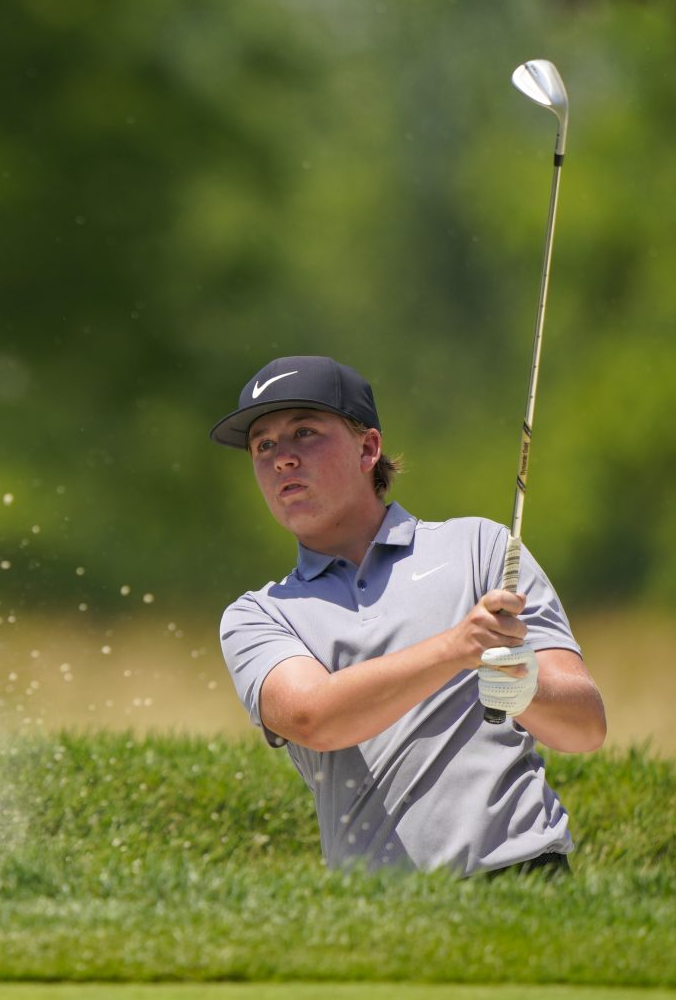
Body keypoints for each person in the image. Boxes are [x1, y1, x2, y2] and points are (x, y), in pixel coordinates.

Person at [213, 355, 607, 876]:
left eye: (305, 432)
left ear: (368, 448)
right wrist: (457, 648)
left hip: (526, 877)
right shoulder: (258, 615)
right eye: (263, 446)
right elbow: (314, 718)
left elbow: (585, 729)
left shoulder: (482, 547)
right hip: (384, 914)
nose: (282, 458)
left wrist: (522, 684)